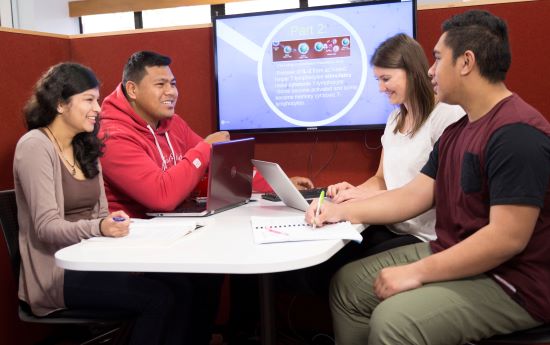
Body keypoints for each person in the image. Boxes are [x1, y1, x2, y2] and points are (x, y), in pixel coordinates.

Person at [307, 10, 550, 345]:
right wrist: (339, 210)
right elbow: (412, 196)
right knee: (346, 286)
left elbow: (505, 239)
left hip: (513, 282)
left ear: (466, 62)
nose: (431, 71)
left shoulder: (517, 134)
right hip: (454, 249)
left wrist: (415, 272)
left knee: (394, 321)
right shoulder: (457, 131)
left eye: (437, 59)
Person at [14, 62, 195, 345]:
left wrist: (114, 222)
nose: (98, 108)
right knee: (157, 299)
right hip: (56, 277)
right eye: (88, 100)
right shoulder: (35, 146)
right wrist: (100, 227)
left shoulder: (85, 144)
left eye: (97, 100)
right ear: (60, 104)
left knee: (182, 286)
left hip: (93, 262)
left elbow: (101, 212)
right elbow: (47, 228)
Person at [99, 50, 312, 218]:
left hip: (171, 226)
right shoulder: (112, 136)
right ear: (132, 90)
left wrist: (281, 187)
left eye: (173, 84)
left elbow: (221, 167)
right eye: (160, 84)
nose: (171, 92)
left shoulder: (171, 122)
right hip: (135, 237)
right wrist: (205, 148)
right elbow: (161, 197)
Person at [326, 33, 464, 256]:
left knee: (341, 266)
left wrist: (357, 203)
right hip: (391, 224)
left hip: (424, 235)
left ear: (412, 72)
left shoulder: (447, 116)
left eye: (386, 79)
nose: (381, 88)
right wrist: (354, 192)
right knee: (329, 258)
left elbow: (432, 195)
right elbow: (382, 179)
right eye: (377, 80)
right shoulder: (393, 120)